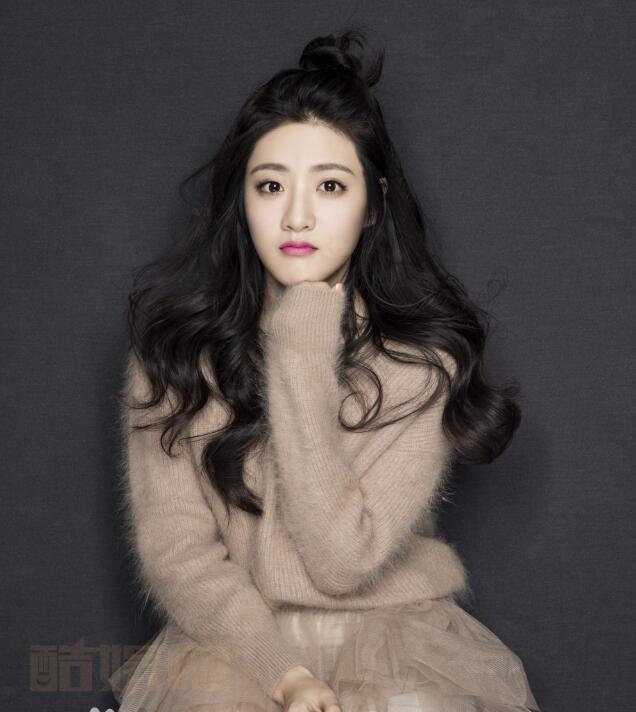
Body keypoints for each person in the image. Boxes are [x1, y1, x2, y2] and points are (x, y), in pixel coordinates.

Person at [108, 29, 541, 712]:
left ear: (373, 205)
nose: (297, 216)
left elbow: (340, 562)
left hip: (397, 641)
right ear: (241, 200)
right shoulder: (176, 355)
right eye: (271, 185)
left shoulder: (420, 364)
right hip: (236, 647)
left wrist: (302, 341)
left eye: (331, 186)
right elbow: (178, 554)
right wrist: (284, 675)